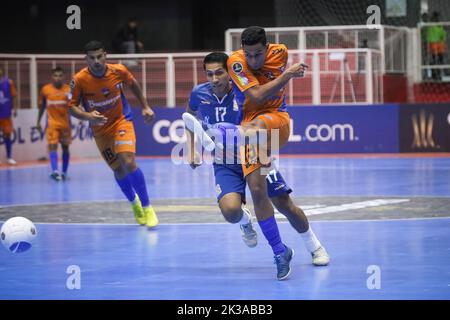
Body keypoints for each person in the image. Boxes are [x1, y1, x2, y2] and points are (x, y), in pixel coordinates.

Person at [216, 26, 330, 280]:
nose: (253, 60)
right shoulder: (235, 63)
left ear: (267, 48)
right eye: (249, 55)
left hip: (276, 121)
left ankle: (315, 246)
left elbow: (266, 95)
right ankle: (281, 253)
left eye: (258, 54)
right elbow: (255, 96)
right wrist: (288, 76)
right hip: (252, 133)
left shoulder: (281, 53)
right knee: (264, 193)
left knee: (253, 129)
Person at [68, 40, 158, 227]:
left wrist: (145, 106)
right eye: (92, 58)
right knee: (118, 169)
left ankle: (148, 207)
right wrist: (87, 116)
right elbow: (71, 108)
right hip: (100, 131)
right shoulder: (79, 80)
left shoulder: (119, 71)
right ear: (86, 59)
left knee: (128, 161)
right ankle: (135, 204)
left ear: (105, 55)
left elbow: (133, 84)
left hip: (121, 121)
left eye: (99, 56)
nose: (96, 61)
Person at [37, 67, 72, 181]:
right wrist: (38, 121)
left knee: (65, 148)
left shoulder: (68, 90)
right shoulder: (45, 90)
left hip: (65, 125)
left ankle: (65, 172)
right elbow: (42, 107)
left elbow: (74, 106)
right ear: (52, 77)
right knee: (52, 146)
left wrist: (80, 118)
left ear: (64, 77)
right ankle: (55, 171)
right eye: (56, 75)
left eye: (60, 75)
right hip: (52, 124)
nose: (58, 78)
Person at [0, 67, 18, 165]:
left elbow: (14, 96)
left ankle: (9, 157)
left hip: (6, 114)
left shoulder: (8, 82)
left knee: (7, 135)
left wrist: (15, 109)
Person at [427, 11, 447, 80]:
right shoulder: (431, 25)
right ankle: (435, 75)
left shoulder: (440, 25)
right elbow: (430, 35)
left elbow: (443, 36)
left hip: (439, 44)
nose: (439, 18)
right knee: (435, 60)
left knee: (440, 60)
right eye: (438, 17)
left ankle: (438, 74)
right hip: (434, 44)